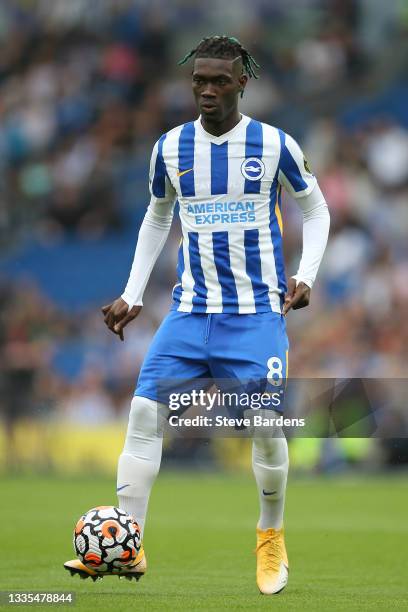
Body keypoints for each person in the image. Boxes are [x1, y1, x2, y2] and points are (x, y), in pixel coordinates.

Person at [64, 35, 330, 595]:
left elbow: (316, 208)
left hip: (256, 314)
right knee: (142, 414)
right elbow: (157, 217)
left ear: (242, 83)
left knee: (263, 427)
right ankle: (127, 544)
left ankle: (270, 537)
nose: (207, 90)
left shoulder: (274, 144)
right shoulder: (169, 148)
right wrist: (133, 293)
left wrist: (306, 275)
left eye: (219, 81)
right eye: (199, 80)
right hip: (189, 312)